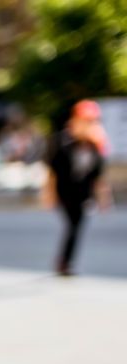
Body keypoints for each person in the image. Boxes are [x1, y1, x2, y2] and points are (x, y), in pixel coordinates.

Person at [43, 100, 113, 277]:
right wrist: (48, 194)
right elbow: (53, 172)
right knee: (74, 224)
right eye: (85, 120)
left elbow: (99, 176)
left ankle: (65, 262)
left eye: (92, 121)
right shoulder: (63, 142)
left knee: (76, 225)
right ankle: (64, 262)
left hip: (83, 192)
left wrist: (104, 198)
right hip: (65, 191)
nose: (89, 124)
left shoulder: (96, 144)